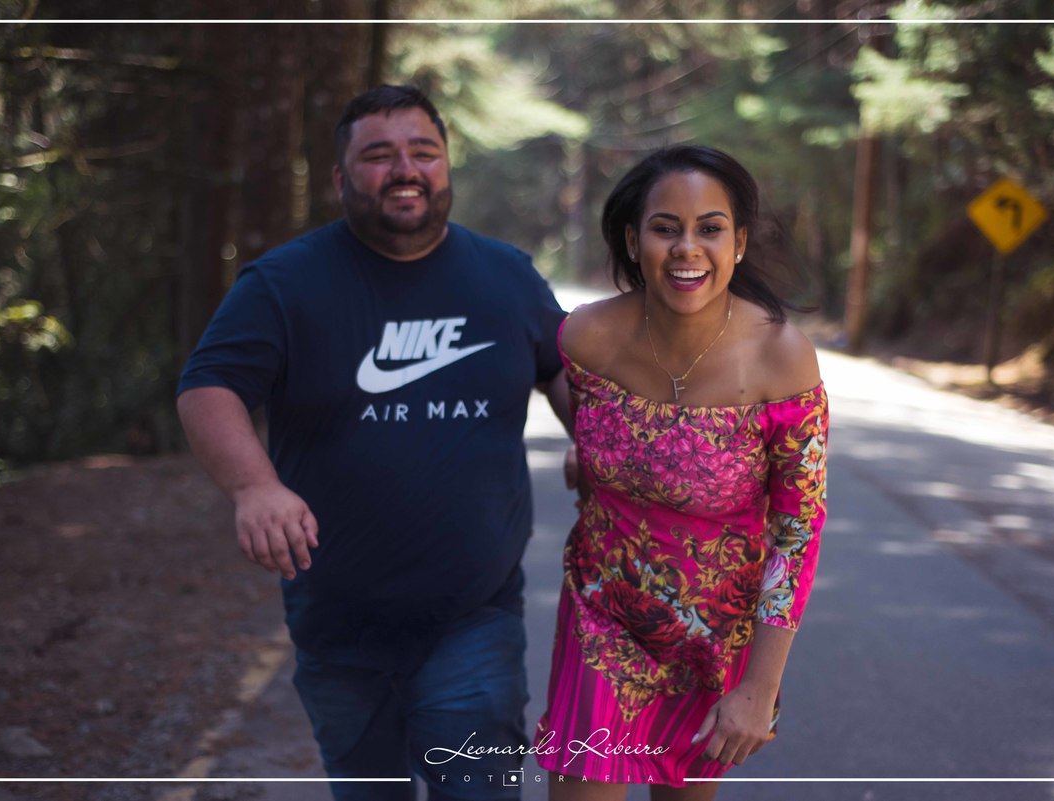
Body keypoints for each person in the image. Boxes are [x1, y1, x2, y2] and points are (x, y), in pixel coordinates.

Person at [176, 85, 571, 801]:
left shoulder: (506, 276)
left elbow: (564, 372)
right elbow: (209, 386)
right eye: (379, 155)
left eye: (424, 151)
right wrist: (254, 487)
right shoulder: (284, 283)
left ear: (446, 165)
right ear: (341, 177)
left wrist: (601, 446)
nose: (406, 169)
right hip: (338, 623)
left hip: (473, 615)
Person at [535, 145, 828, 798]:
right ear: (633, 241)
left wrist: (760, 686)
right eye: (665, 227)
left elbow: (797, 530)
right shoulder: (586, 339)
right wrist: (589, 455)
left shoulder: (782, 359)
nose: (686, 248)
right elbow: (591, 431)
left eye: (710, 228)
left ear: (739, 243)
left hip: (714, 640)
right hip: (602, 619)